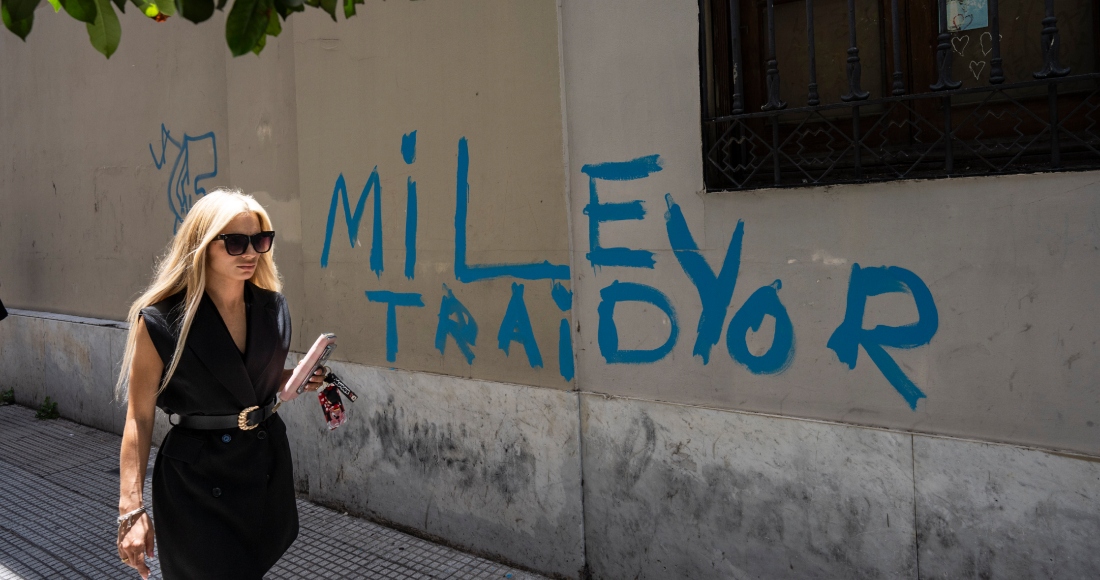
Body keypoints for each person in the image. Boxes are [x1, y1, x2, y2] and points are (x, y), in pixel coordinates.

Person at [114, 189, 325, 579]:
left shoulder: (272, 307)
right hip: (196, 483)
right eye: (235, 242)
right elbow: (138, 418)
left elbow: (244, 382)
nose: (251, 253)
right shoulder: (161, 321)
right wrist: (131, 510)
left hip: (261, 467)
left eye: (260, 241)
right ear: (201, 245)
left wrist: (294, 378)